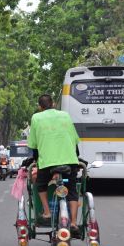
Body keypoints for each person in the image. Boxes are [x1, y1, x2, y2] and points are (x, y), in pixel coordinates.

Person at [27, 94, 81, 234]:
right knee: (73, 190)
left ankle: (47, 212)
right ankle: (74, 223)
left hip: (48, 163)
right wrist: (76, 158)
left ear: (40, 107)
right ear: (53, 104)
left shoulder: (36, 118)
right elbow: (74, 140)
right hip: (70, 160)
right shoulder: (65, 116)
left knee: (41, 184)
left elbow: (34, 145)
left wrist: (36, 160)